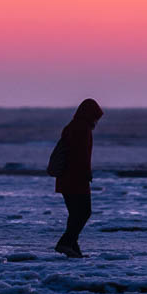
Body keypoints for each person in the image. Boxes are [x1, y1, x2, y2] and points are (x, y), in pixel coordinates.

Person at [52, 98, 103, 258]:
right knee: (84, 212)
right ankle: (65, 243)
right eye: (96, 117)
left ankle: (73, 249)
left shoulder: (73, 126)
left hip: (68, 178)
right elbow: (80, 156)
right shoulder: (82, 129)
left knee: (76, 214)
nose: (96, 121)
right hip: (76, 179)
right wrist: (86, 174)